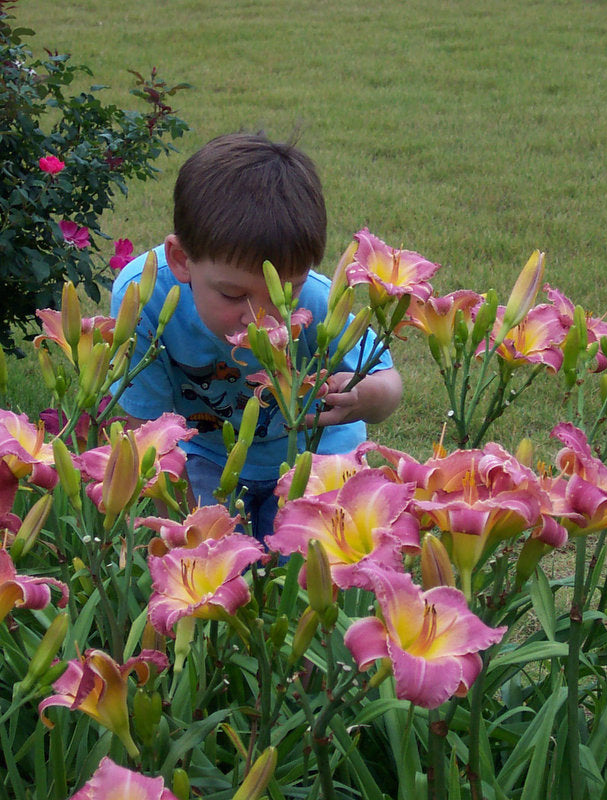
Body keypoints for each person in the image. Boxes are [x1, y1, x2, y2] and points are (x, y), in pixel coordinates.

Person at [111, 133, 403, 542]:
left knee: (318, 558)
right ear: (181, 259)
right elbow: (148, 431)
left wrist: (363, 398)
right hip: (210, 455)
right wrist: (188, 534)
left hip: (317, 452)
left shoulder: (317, 300)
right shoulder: (144, 296)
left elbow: (390, 385)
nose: (262, 321)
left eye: (286, 296)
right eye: (233, 295)